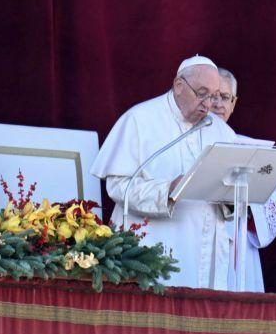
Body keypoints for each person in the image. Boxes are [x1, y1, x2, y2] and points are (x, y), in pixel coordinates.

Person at [90, 55, 241, 289]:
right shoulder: (140, 119)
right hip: (154, 246)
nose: (209, 104)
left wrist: (231, 195)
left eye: (214, 96)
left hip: (204, 253)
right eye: (202, 93)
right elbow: (118, 186)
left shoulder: (221, 131)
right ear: (179, 85)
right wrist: (167, 191)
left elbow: (232, 190)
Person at [214, 67, 276, 292]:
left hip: (239, 249)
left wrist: (249, 210)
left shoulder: (251, 148)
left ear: (233, 104)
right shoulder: (184, 146)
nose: (218, 103)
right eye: (213, 96)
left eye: (225, 97)